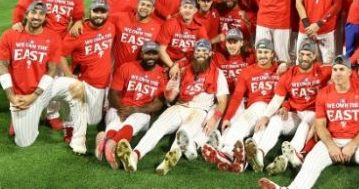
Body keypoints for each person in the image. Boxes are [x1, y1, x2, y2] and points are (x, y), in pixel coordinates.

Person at [258, 55, 359, 189]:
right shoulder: (323, 93)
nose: (338, 73)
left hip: (358, 142)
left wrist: (353, 144)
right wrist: (330, 145)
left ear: (349, 72)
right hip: (332, 140)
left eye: (342, 69)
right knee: (312, 161)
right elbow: (320, 124)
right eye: (335, 69)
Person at [115, 39, 229, 175]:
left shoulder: (218, 74)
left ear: (210, 54)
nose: (201, 54)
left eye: (205, 51)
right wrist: (169, 88)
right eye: (198, 51)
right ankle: (135, 156)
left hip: (199, 109)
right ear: (194, 53)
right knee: (157, 127)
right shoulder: (185, 70)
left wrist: (214, 119)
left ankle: (168, 161)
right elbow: (170, 97)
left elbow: (222, 101)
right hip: (180, 106)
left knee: (184, 133)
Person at [0, 0, 88, 154]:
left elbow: (51, 70)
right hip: (21, 95)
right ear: (26, 15)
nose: (37, 17)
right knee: (23, 142)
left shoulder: (52, 38)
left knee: (76, 86)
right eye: (33, 12)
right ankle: (21, 118)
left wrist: (35, 95)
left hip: (42, 90)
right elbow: (2, 66)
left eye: (41, 14)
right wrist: (11, 96)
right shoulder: (10, 35)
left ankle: (77, 138)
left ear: (45, 18)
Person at [11, 0, 84, 130]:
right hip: (38, 40)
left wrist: (78, 21)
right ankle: (19, 114)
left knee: (55, 80)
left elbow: (78, 14)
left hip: (58, 44)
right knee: (28, 77)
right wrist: (16, 21)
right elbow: (22, 7)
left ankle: (52, 114)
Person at [246, 40, 332, 174]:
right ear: (298, 54)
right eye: (302, 54)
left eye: (308, 55)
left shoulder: (324, 70)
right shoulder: (289, 74)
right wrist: (265, 116)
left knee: (306, 123)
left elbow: (344, 71)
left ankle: (290, 155)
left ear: (315, 56)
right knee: (276, 120)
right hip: (295, 113)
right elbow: (276, 101)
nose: (304, 58)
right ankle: (260, 155)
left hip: (314, 114)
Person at [202, 39, 280, 173]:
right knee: (245, 123)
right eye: (260, 52)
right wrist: (227, 118)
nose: (262, 55)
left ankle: (229, 153)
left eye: (266, 52)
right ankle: (234, 156)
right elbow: (237, 96)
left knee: (254, 125)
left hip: (273, 107)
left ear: (273, 54)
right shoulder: (247, 71)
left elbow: (287, 92)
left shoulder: (280, 70)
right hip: (256, 106)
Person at [97, 41, 166, 169]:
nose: (151, 57)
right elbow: (113, 94)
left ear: (158, 55)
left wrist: (134, 109)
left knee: (136, 118)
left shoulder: (161, 74)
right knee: (115, 117)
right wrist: (122, 109)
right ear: (141, 53)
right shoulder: (126, 67)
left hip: (141, 111)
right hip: (121, 106)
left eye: (154, 54)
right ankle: (110, 147)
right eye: (147, 53)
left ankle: (107, 142)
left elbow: (158, 103)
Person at [59, 0, 116, 128]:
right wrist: (68, 74)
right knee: (71, 99)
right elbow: (60, 54)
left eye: (103, 12)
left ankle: (98, 106)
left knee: (93, 121)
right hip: (83, 80)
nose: (99, 15)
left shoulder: (111, 27)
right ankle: (68, 126)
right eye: (96, 11)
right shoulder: (77, 32)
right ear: (90, 12)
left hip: (102, 82)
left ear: (108, 14)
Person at [156, 0, 209, 78]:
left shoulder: (200, 28)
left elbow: (203, 51)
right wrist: (173, 66)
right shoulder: (170, 23)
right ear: (180, 9)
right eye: (185, 7)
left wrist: (179, 65)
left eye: (190, 8)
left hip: (188, 64)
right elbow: (160, 50)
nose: (187, 10)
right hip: (166, 63)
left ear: (195, 11)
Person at [111, 0, 163, 71]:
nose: (144, 7)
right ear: (137, 4)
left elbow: (162, 50)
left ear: (153, 9)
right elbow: (101, 18)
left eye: (148, 6)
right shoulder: (120, 18)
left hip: (139, 74)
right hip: (118, 71)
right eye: (142, 4)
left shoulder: (158, 27)